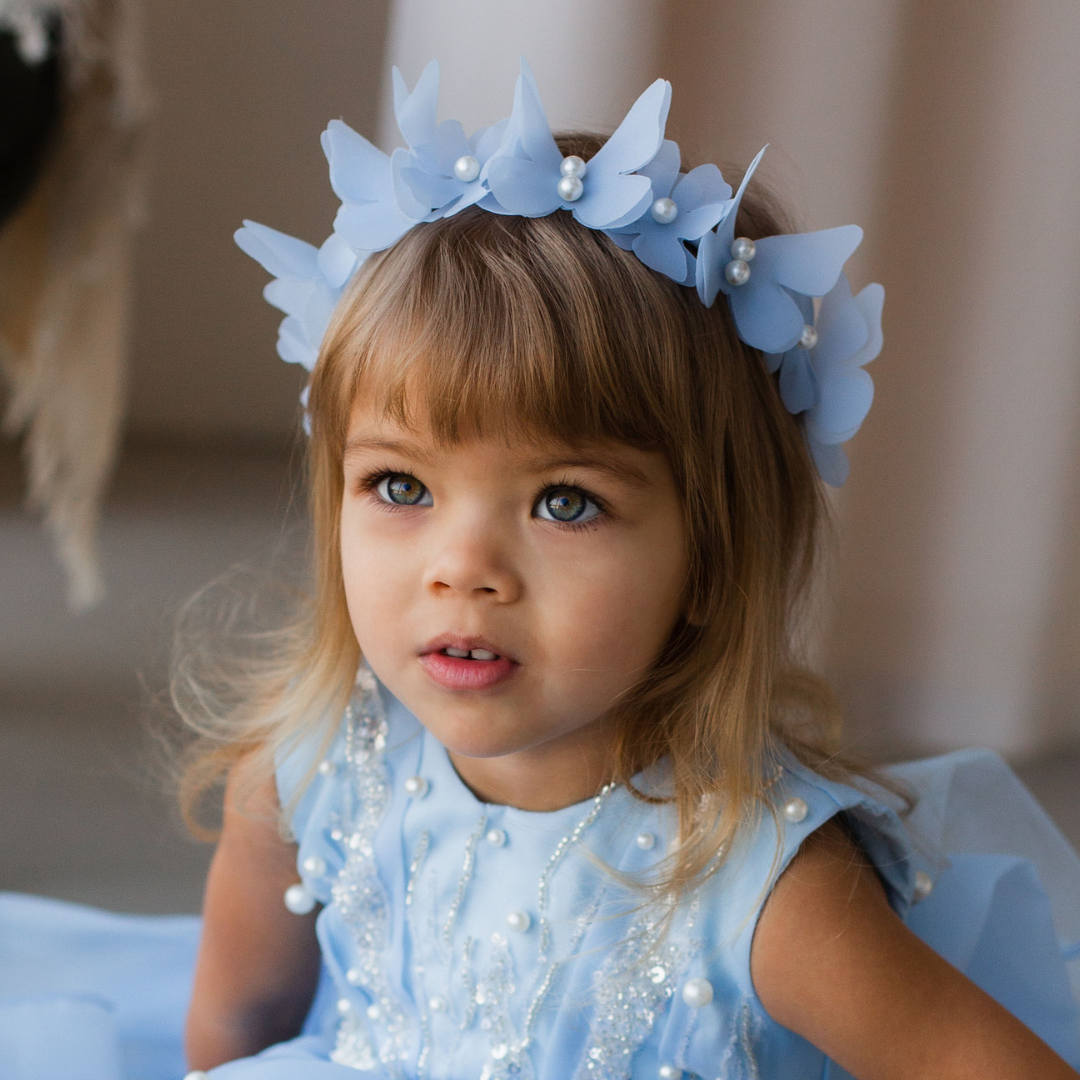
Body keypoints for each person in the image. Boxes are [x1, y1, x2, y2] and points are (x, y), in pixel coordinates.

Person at [1, 59, 1078, 1080]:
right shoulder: (310, 772)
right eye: (400, 487)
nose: (462, 569)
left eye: (566, 502)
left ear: (710, 556)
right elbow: (232, 1029)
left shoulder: (764, 887)